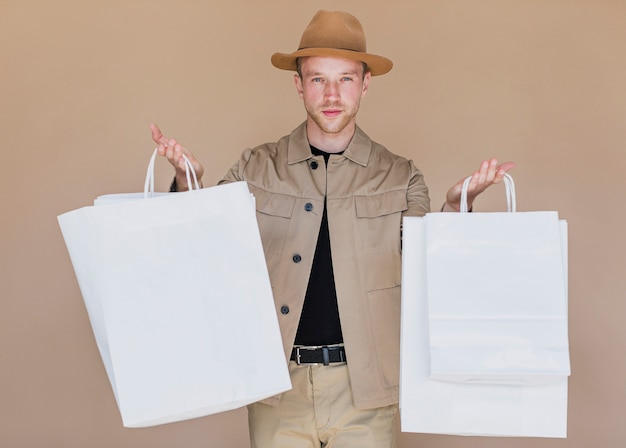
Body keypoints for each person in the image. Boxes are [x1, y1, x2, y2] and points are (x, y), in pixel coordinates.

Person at [151, 10, 515, 448]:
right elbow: (205, 247)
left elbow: (431, 269)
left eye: (344, 79)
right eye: (318, 79)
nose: (331, 93)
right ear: (299, 84)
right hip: (276, 389)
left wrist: (459, 207)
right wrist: (186, 183)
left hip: (366, 390)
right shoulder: (255, 167)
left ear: (364, 84)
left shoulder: (400, 176)